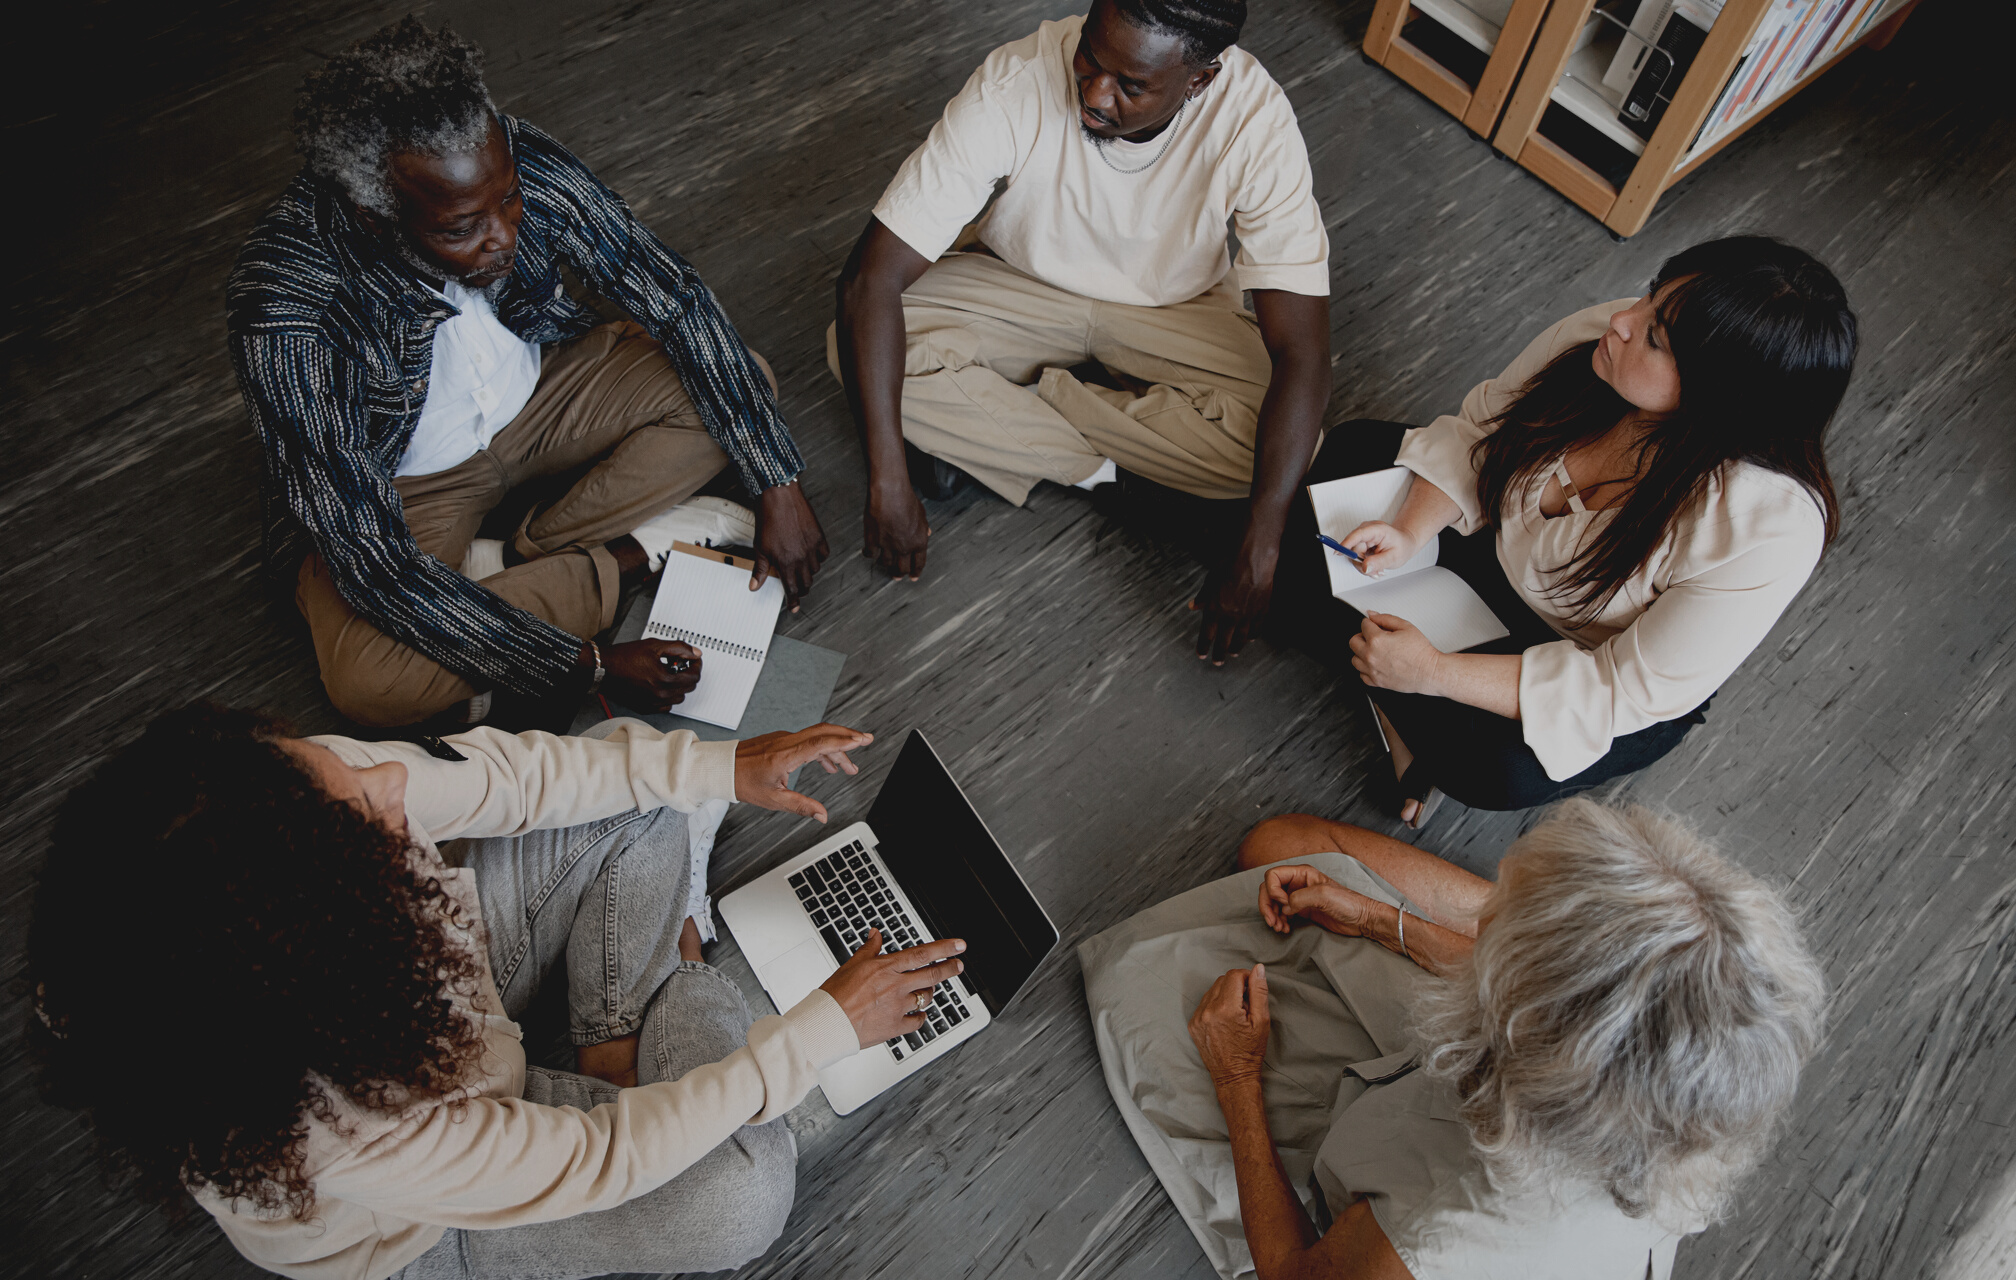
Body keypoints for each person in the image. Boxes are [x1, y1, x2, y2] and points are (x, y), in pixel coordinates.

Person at [28, 705, 966, 1280]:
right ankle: (670, 992)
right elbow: (600, 1159)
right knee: (737, 1203)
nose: (393, 775)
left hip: (442, 1002)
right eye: (369, 811)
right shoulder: (339, 1122)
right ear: (329, 935)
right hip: (424, 1231)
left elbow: (503, 778)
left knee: (638, 790)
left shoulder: (261, 814)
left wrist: (718, 768)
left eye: (342, 767)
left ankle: (614, 1043)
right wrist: (819, 1032)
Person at [231, 17, 831, 730]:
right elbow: (376, 565)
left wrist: (777, 482)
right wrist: (595, 667)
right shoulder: (288, 309)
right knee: (369, 681)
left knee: (737, 386)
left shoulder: (502, 157)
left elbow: (670, 295)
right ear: (375, 217)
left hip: (540, 396)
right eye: (463, 229)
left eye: (509, 200)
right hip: (403, 486)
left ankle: (512, 561)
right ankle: (633, 555)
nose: (505, 236)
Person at [830, 0, 1331, 663]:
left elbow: (1304, 352)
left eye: (1131, 86)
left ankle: (1008, 421)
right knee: (855, 346)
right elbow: (868, 280)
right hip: (1021, 280)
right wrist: (888, 479)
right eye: (1091, 59)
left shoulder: (1255, 120)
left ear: (1198, 80)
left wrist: (1261, 544)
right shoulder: (1017, 79)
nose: (1095, 93)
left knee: (1288, 441)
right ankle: (1113, 478)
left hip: (1173, 307)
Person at [1078, 800, 1827, 1280]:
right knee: (1282, 849)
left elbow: (1292, 1274)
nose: (1486, 914)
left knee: (1135, 985)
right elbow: (1519, 989)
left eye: (1506, 919)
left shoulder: (1445, 1235)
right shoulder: (1660, 1087)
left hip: (1394, 1192)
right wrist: (1374, 917)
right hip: (1449, 1098)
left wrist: (1237, 1078)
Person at [1270, 235, 1857, 825]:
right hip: (1498, 548)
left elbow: (1618, 689)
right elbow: (1481, 433)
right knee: (1348, 455)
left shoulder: (1765, 530)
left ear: (1720, 399)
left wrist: (1434, 672)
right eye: (1654, 294)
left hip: (1582, 655)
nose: (1625, 318)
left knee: (1494, 767)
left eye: (1655, 338)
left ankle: (1392, 682)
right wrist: (1410, 530)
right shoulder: (1607, 337)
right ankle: (1391, 690)